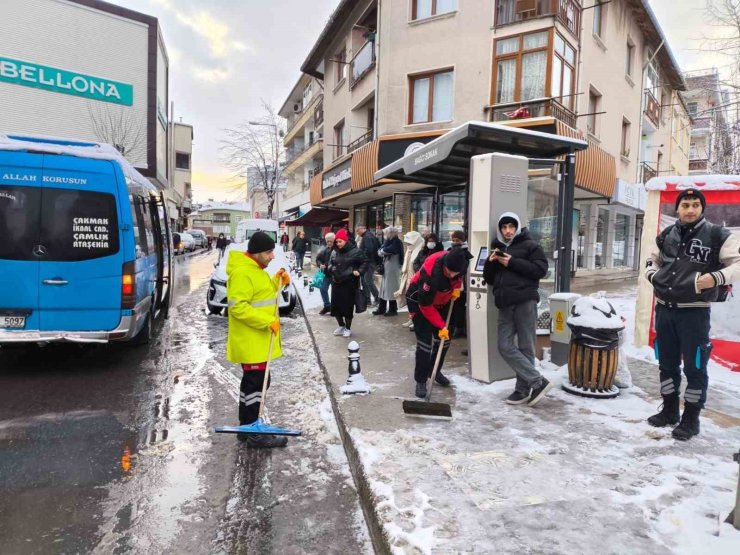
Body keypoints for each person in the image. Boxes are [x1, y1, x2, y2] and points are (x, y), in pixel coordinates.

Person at [644, 188, 740, 440]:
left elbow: (737, 264)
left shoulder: (718, 235)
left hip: (694, 315)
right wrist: (651, 275)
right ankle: (669, 411)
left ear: (702, 208)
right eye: (685, 204)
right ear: (678, 208)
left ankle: (691, 419)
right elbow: (652, 259)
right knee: (666, 364)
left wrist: (714, 278)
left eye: (695, 204)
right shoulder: (667, 234)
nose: (690, 209)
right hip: (664, 311)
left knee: (695, 368)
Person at [225, 231, 291, 448]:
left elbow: (261, 296)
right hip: (251, 342)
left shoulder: (256, 270)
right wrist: (266, 321)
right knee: (256, 387)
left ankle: (246, 428)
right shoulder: (243, 273)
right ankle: (254, 433)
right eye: (269, 252)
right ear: (256, 252)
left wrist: (277, 281)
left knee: (254, 385)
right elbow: (238, 308)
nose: (272, 256)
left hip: (257, 342)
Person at [483, 212, 551, 407]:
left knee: (526, 346)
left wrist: (511, 262)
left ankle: (522, 390)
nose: (508, 231)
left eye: (511, 227)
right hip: (505, 303)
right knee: (504, 345)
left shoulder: (531, 245)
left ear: (518, 227)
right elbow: (489, 279)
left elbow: (540, 271)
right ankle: (537, 381)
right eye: (504, 227)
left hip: (525, 301)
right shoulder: (497, 248)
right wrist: (490, 262)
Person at [406, 249, 468, 398]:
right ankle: (421, 381)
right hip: (420, 302)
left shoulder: (460, 263)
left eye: (455, 273)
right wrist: (441, 326)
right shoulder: (431, 274)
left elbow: (457, 277)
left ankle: (433, 370)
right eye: (449, 271)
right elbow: (425, 306)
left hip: (442, 301)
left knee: (444, 340)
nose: (452, 274)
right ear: (444, 265)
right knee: (425, 343)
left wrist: (456, 287)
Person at [328, 229, 367, 338]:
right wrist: (331, 269)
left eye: (340, 241)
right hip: (336, 282)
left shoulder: (356, 251)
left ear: (345, 240)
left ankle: (348, 328)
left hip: (349, 283)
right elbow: (330, 263)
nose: (338, 244)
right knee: (335, 306)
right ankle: (341, 325)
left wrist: (359, 271)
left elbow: (364, 262)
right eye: (337, 242)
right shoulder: (334, 251)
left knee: (347, 307)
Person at [395, 231, 425, 330]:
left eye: (409, 243)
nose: (408, 245)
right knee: (410, 301)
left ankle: (416, 321)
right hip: (408, 278)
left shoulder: (421, 250)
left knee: (416, 301)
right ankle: (411, 318)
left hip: (416, 280)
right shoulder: (409, 250)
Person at [448, 230, 474, 339]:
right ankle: (453, 326)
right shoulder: (450, 250)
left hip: (461, 284)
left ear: (463, 241)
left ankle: (458, 328)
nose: (455, 242)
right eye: (453, 240)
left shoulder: (466, 252)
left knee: (459, 306)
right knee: (452, 306)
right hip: (452, 283)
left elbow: (464, 268)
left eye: (457, 240)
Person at [373, 226, 404, 316]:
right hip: (388, 268)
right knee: (384, 288)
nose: (384, 235)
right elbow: (380, 251)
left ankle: (392, 309)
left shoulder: (397, 242)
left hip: (393, 268)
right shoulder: (389, 241)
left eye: (386, 233)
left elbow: (386, 250)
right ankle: (382, 308)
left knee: (391, 288)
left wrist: (382, 251)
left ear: (390, 234)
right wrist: (382, 251)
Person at [356, 225, 381, 308]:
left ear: (363, 229)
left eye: (358, 230)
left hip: (369, 262)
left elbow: (369, 249)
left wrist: (362, 257)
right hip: (369, 261)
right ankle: (368, 300)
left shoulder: (367, 236)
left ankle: (377, 298)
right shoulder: (368, 235)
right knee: (364, 280)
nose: (357, 233)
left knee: (367, 280)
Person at [316, 232, 335, 315]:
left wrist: (326, 265)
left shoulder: (337, 249)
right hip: (326, 274)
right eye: (328, 241)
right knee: (323, 289)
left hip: (335, 274)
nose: (329, 243)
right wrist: (320, 264)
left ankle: (335, 307)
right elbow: (318, 259)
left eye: (331, 241)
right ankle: (327, 306)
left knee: (335, 292)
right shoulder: (324, 249)